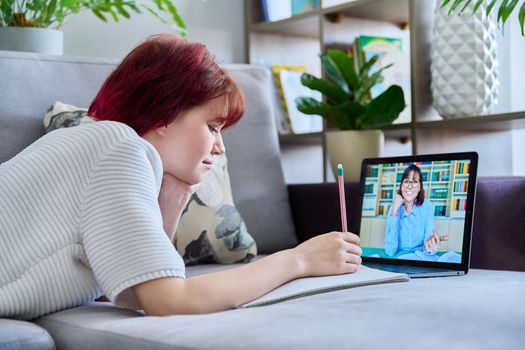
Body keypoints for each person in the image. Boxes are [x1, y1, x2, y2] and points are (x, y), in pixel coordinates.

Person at [0, 34, 362, 320]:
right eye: (212, 127)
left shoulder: (96, 144)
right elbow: (167, 300)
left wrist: (174, 196)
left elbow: (126, 290)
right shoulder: (117, 146)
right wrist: (297, 260)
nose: (220, 148)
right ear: (165, 114)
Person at [384, 164, 447, 258]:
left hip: (419, 256)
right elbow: (390, 251)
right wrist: (395, 210)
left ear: (419, 187)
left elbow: (429, 240)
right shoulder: (394, 208)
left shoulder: (427, 206)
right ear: (401, 186)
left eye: (414, 181)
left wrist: (429, 246)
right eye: (406, 181)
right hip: (399, 257)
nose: (410, 186)